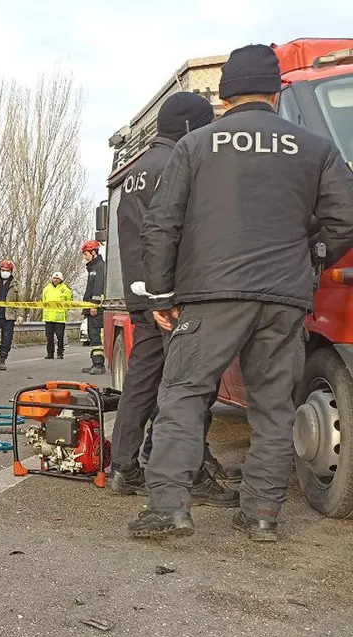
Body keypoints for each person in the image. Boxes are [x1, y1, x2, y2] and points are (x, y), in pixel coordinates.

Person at [131, 44, 353, 541]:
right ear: (276, 90)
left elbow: (160, 225)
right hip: (284, 297)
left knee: (184, 395)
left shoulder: (195, 146)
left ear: (225, 93)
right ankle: (261, 515)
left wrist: (162, 295)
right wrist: (311, 260)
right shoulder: (315, 148)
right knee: (274, 407)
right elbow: (346, 220)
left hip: (210, 294)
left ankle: (169, 508)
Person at [107, 92, 237, 508]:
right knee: (189, 387)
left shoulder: (136, 171)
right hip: (174, 297)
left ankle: (123, 467)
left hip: (141, 295)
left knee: (141, 385)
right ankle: (192, 472)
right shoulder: (179, 165)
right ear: (187, 128)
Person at [81, 240, 106, 375]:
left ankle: (99, 365)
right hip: (91, 308)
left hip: (97, 309)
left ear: (94, 252)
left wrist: (94, 306)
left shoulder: (99, 267)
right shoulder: (93, 268)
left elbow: (98, 288)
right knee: (92, 335)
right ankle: (95, 363)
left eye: (86, 254)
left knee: (95, 336)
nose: (85, 257)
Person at [42, 272, 72, 359]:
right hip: (48, 317)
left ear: (61, 279)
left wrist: (64, 311)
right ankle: (50, 353)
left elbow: (69, 302)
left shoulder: (66, 289)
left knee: (60, 337)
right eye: (54, 278)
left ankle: (60, 353)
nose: (55, 280)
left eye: (57, 278)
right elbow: (43, 301)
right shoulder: (46, 289)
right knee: (49, 337)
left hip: (59, 317)